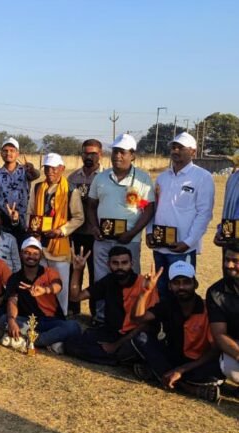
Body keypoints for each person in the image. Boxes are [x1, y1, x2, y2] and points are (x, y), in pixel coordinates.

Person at [131, 261, 223, 402]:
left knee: (218, 369)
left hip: (198, 363)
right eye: (176, 283)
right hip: (173, 359)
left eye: (186, 282)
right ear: (169, 286)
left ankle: (158, 373)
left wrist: (181, 370)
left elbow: (214, 351)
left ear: (195, 284)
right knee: (141, 338)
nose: (181, 287)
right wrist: (145, 292)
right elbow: (137, 319)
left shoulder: (207, 309)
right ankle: (188, 387)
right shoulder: (167, 305)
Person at [87, 135, 154, 315]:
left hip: (129, 240)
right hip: (103, 240)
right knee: (101, 279)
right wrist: (94, 227)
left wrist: (132, 233)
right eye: (115, 151)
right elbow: (91, 205)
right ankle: (102, 317)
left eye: (122, 152)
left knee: (131, 280)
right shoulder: (101, 178)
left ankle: (131, 317)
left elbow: (148, 209)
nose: (118, 155)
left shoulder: (143, 179)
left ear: (132, 155)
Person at [65, 246, 159, 365]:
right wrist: (78, 270)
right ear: (108, 264)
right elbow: (75, 297)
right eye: (115, 263)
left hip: (134, 335)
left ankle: (117, 358)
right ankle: (118, 359)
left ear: (131, 264)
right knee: (72, 343)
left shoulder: (144, 284)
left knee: (138, 343)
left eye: (124, 263)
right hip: (112, 333)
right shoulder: (108, 281)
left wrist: (115, 345)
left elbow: (147, 325)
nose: (120, 267)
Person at [147, 132, 214, 294]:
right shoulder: (162, 177)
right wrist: (149, 232)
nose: (175, 151)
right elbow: (153, 208)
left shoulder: (202, 177)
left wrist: (188, 242)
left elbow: (204, 213)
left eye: (180, 148)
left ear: (193, 152)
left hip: (182, 249)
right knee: (161, 292)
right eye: (173, 147)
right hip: (160, 247)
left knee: (182, 293)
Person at [25, 153, 84, 316]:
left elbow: (79, 217)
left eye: (54, 168)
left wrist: (61, 231)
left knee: (60, 286)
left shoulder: (71, 190)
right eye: (47, 168)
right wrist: (32, 229)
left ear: (62, 168)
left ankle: (61, 317)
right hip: (40, 243)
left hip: (59, 246)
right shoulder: (38, 187)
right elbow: (30, 212)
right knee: (41, 283)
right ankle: (41, 316)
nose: (50, 171)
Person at [2, 237, 80, 353]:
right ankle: (49, 340)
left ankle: (33, 340)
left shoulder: (49, 272)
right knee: (4, 319)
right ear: (21, 254)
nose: (31, 257)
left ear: (41, 255)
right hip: (28, 322)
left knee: (73, 326)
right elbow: (12, 301)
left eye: (35, 254)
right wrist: (12, 320)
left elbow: (58, 286)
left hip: (51, 321)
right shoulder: (14, 278)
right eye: (27, 253)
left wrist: (45, 290)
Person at [67, 139, 102, 302]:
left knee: (96, 273)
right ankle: (73, 308)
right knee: (74, 271)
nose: (89, 157)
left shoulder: (105, 177)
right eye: (85, 153)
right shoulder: (72, 177)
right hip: (76, 233)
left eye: (93, 154)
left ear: (100, 154)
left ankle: (96, 311)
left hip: (96, 233)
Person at [205, 244, 239, 385]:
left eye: (235, 261)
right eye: (227, 259)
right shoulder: (215, 292)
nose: (229, 265)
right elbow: (219, 335)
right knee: (231, 370)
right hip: (236, 344)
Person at [0, 137, 39, 224]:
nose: (8, 153)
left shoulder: (25, 171)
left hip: (21, 221)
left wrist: (32, 169)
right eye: (5, 150)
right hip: (2, 221)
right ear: (1, 153)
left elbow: (36, 175)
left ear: (17, 153)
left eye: (12, 150)